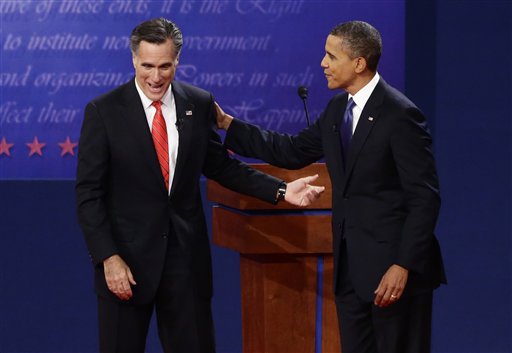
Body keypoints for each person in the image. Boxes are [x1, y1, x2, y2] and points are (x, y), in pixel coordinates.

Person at [75, 17, 324, 353]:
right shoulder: (103, 111)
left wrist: (280, 189)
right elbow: (89, 194)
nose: (156, 76)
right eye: (147, 65)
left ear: (177, 59)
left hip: (185, 264)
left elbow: (221, 166)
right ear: (133, 58)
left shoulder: (198, 102)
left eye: (165, 66)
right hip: (127, 264)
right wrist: (108, 257)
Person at [216, 20, 446, 353]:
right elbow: (291, 151)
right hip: (351, 273)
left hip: (394, 275)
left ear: (358, 63)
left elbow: (424, 198)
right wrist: (228, 124)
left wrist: (402, 265)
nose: (323, 63)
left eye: (331, 56)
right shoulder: (339, 109)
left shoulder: (400, 115)